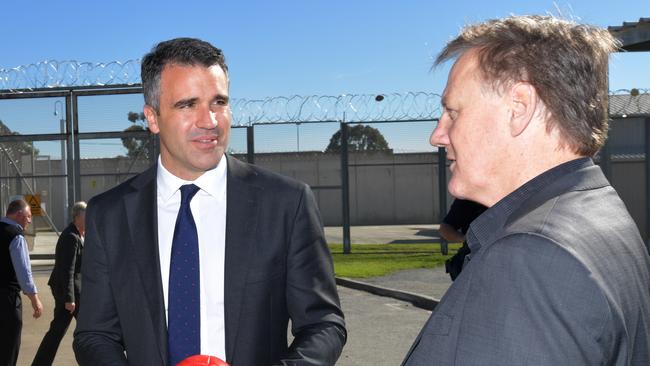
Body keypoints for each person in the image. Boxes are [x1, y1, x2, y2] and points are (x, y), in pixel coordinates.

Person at [73, 37, 346, 366]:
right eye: (188, 104)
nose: (209, 121)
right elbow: (95, 334)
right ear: (153, 117)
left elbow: (323, 325)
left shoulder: (286, 204)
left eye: (218, 102)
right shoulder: (110, 214)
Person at [402, 15, 650, 365]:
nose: (437, 136)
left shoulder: (531, 258)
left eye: (452, 112)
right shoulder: (597, 208)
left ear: (518, 108)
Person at [32, 201, 86, 366]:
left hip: (72, 290)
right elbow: (67, 270)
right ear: (77, 217)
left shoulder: (80, 234)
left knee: (58, 331)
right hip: (67, 292)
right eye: (87, 216)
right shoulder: (71, 237)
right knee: (87, 330)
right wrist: (69, 299)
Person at [0, 199, 43, 366]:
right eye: (29, 216)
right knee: (8, 347)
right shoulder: (15, 236)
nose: (30, 220)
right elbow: (24, 272)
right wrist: (35, 299)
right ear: (19, 214)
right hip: (7, 301)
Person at [440, 199, 486, 281]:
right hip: (475, 263)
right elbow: (445, 229)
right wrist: (466, 239)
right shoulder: (470, 198)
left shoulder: (513, 197)